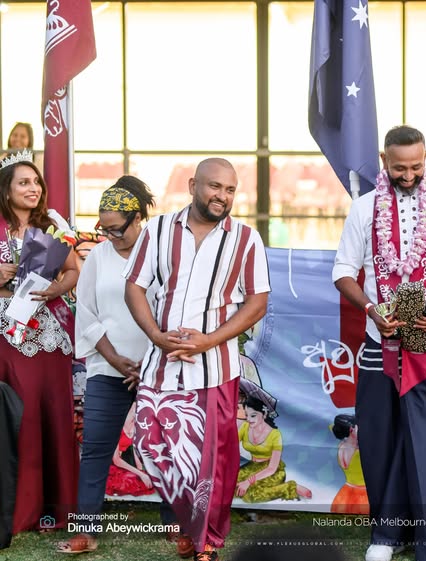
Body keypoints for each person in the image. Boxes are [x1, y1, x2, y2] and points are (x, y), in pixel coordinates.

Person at [332, 125, 426, 561]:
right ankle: (386, 535)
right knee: (382, 438)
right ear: (385, 162)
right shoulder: (363, 209)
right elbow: (343, 271)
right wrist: (372, 310)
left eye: (417, 166)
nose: (409, 174)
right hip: (382, 342)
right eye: (400, 167)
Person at [123, 158, 271, 561]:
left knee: (212, 464)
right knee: (151, 447)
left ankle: (205, 542)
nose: (222, 196)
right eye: (214, 187)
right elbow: (134, 287)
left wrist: (209, 341)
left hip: (215, 369)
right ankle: (190, 522)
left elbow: (258, 302)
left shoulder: (245, 239)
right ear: (193, 185)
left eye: (230, 190)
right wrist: (155, 335)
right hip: (160, 365)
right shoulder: (156, 231)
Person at [58, 176, 188, 555]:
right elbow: (87, 312)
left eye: (116, 229)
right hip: (107, 369)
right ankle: (86, 530)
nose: (110, 236)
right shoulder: (98, 257)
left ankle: (176, 526)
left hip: (159, 370)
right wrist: (114, 358)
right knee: (97, 450)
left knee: (165, 449)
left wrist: (151, 361)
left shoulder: (165, 253)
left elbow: (175, 311)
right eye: (104, 229)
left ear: (137, 219)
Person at [0, 150, 79, 535]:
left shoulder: (53, 225)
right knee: (21, 417)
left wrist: (53, 288)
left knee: (53, 415)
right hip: (7, 334)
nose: (33, 188)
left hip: (47, 335)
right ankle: (21, 509)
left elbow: (72, 271)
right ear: (6, 190)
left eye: (36, 182)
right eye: (23, 182)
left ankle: (58, 509)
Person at [235, 396, 311, 502]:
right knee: (231, 488)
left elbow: (272, 468)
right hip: (251, 467)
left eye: (253, 416)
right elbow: (231, 447)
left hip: (271, 470)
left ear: (264, 414)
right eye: (247, 415)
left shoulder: (275, 435)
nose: (248, 419)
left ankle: (290, 487)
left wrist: (248, 482)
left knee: (252, 495)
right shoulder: (245, 427)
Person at [330, 414, 369, 515]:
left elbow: (332, 427)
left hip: (346, 491)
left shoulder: (341, 446)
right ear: (352, 430)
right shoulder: (359, 452)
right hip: (362, 494)